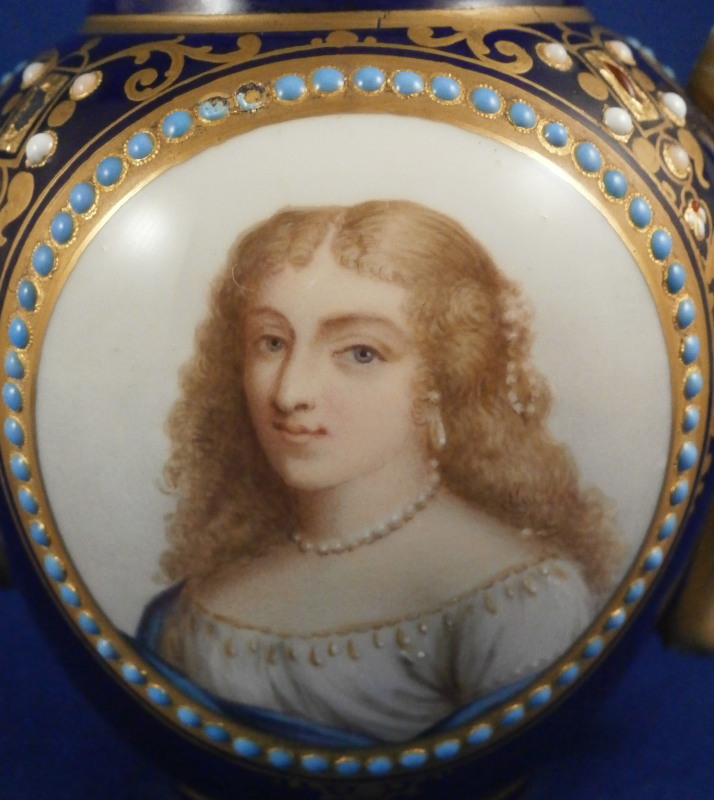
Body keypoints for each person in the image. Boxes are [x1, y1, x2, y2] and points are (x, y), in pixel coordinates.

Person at [136, 200, 622, 745]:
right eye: (271, 343)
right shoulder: (194, 610)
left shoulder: (520, 600)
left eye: (360, 353)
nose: (291, 393)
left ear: (441, 377)